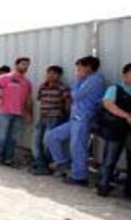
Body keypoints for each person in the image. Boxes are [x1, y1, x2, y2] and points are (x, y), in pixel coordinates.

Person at [45, 56, 105, 185]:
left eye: (80, 67)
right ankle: (63, 163)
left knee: (78, 147)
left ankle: (80, 177)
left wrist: (79, 78)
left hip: (84, 118)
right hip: (75, 118)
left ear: (88, 67)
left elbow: (75, 95)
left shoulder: (95, 80)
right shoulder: (86, 79)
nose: (77, 70)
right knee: (52, 136)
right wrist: (80, 79)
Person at [0, 57, 33, 166]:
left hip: (18, 113)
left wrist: (29, 114)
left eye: (27, 65)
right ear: (16, 65)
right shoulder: (7, 77)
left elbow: (28, 99)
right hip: (3, 112)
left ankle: (9, 159)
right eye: (23, 64)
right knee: (1, 136)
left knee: (13, 138)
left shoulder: (27, 82)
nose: (25, 66)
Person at [96, 62, 131, 197]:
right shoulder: (115, 88)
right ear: (125, 75)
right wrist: (127, 116)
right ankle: (103, 185)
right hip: (115, 130)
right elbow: (108, 104)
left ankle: (128, 191)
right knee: (110, 159)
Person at [31, 66, 70, 174]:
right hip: (42, 117)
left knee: (47, 142)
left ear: (59, 76)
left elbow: (67, 103)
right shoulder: (43, 87)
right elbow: (40, 102)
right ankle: (40, 164)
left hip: (55, 118)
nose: (50, 76)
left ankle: (47, 165)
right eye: (49, 73)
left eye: (54, 73)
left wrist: (65, 116)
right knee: (36, 142)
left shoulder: (63, 88)